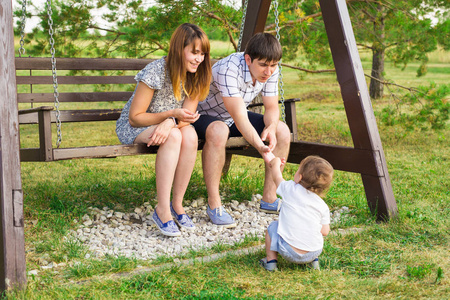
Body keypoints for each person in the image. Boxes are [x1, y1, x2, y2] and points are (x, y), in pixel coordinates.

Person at [115, 23, 212, 237]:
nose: (199, 59)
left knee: (189, 134)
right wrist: (170, 119)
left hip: (169, 124)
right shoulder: (156, 71)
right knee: (175, 135)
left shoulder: (197, 74)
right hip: (136, 126)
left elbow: (186, 116)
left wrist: (170, 121)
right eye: (194, 52)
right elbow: (135, 117)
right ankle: (162, 209)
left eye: (203, 53)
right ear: (179, 49)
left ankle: (177, 204)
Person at [193, 32, 291, 228]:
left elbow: (271, 108)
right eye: (263, 65)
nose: (268, 71)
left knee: (282, 130)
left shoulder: (270, 68)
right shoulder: (229, 69)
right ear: (248, 59)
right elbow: (239, 117)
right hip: (200, 116)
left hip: (232, 117)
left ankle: (270, 199)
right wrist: (260, 147)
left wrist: (271, 127)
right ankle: (214, 204)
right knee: (219, 130)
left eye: (273, 65)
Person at [259, 155, 334, 271]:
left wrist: (275, 164)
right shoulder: (322, 206)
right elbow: (325, 232)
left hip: (287, 251)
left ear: (299, 177)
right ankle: (313, 263)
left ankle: (271, 262)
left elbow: (276, 177)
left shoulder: (290, 189)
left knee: (273, 227)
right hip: (313, 252)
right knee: (314, 230)